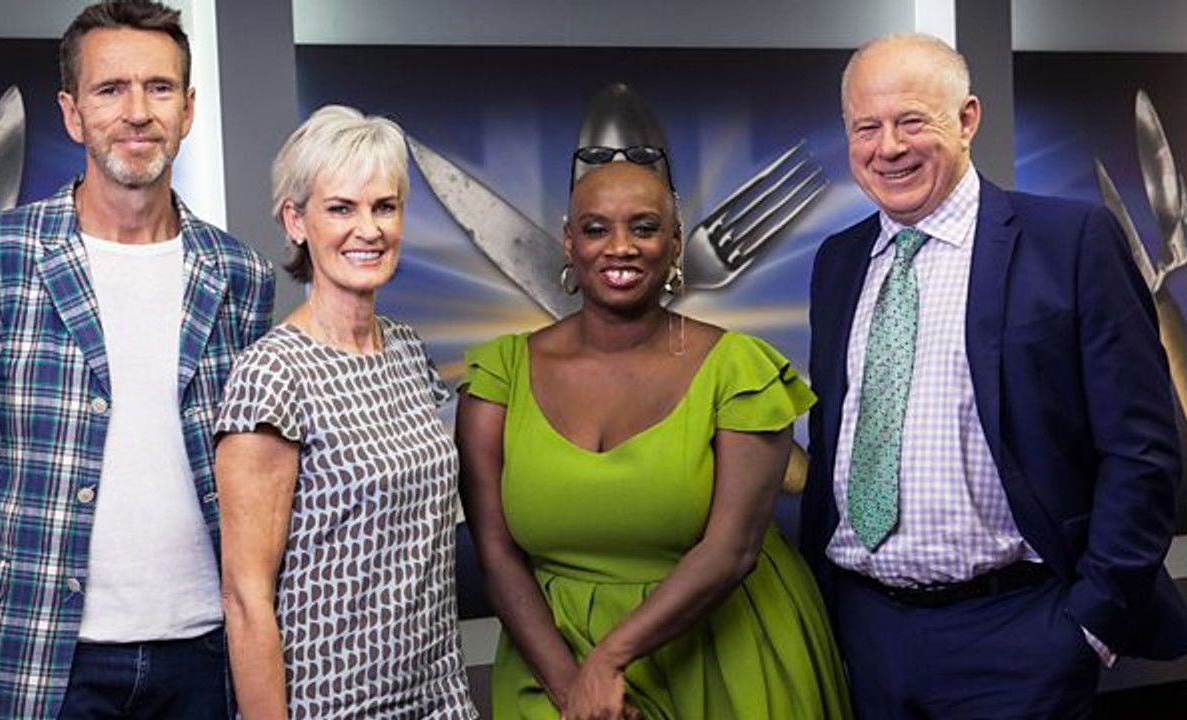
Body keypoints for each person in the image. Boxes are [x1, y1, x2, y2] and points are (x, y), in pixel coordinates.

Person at [802, 32, 1187, 718]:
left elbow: (1144, 448)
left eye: (911, 120)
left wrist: (1091, 623)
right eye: (866, 127)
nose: (888, 147)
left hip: (1020, 635)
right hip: (866, 633)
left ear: (967, 119)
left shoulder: (1071, 241)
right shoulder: (839, 261)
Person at [0, 1, 275, 718]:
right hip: (43, 656)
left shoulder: (240, 273)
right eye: (110, 89)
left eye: (159, 87)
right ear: (73, 113)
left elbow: (251, 471)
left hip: (204, 653)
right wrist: (2, 595)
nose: (137, 112)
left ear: (188, 109)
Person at [457, 159, 850, 719]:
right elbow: (496, 557)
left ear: (675, 243)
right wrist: (574, 690)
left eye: (644, 227)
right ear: (569, 243)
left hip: (724, 656)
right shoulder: (501, 375)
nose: (620, 247)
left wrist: (607, 662)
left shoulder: (739, 369)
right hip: (552, 660)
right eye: (596, 228)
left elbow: (732, 551)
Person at [215, 105, 477, 719]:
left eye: (384, 207)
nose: (369, 229)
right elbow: (246, 599)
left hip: (438, 699)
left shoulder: (407, 351)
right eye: (341, 208)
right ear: (296, 221)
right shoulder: (272, 374)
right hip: (331, 706)